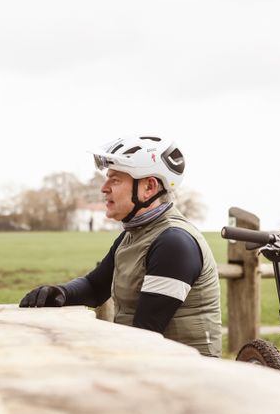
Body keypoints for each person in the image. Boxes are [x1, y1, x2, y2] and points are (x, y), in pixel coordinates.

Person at [19, 135, 221, 357]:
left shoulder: (174, 243)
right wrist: (59, 292)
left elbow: (146, 333)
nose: (104, 188)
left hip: (189, 375)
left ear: (149, 187)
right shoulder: (135, 235)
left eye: (115, 180)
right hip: (152, 364)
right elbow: (95, 287)